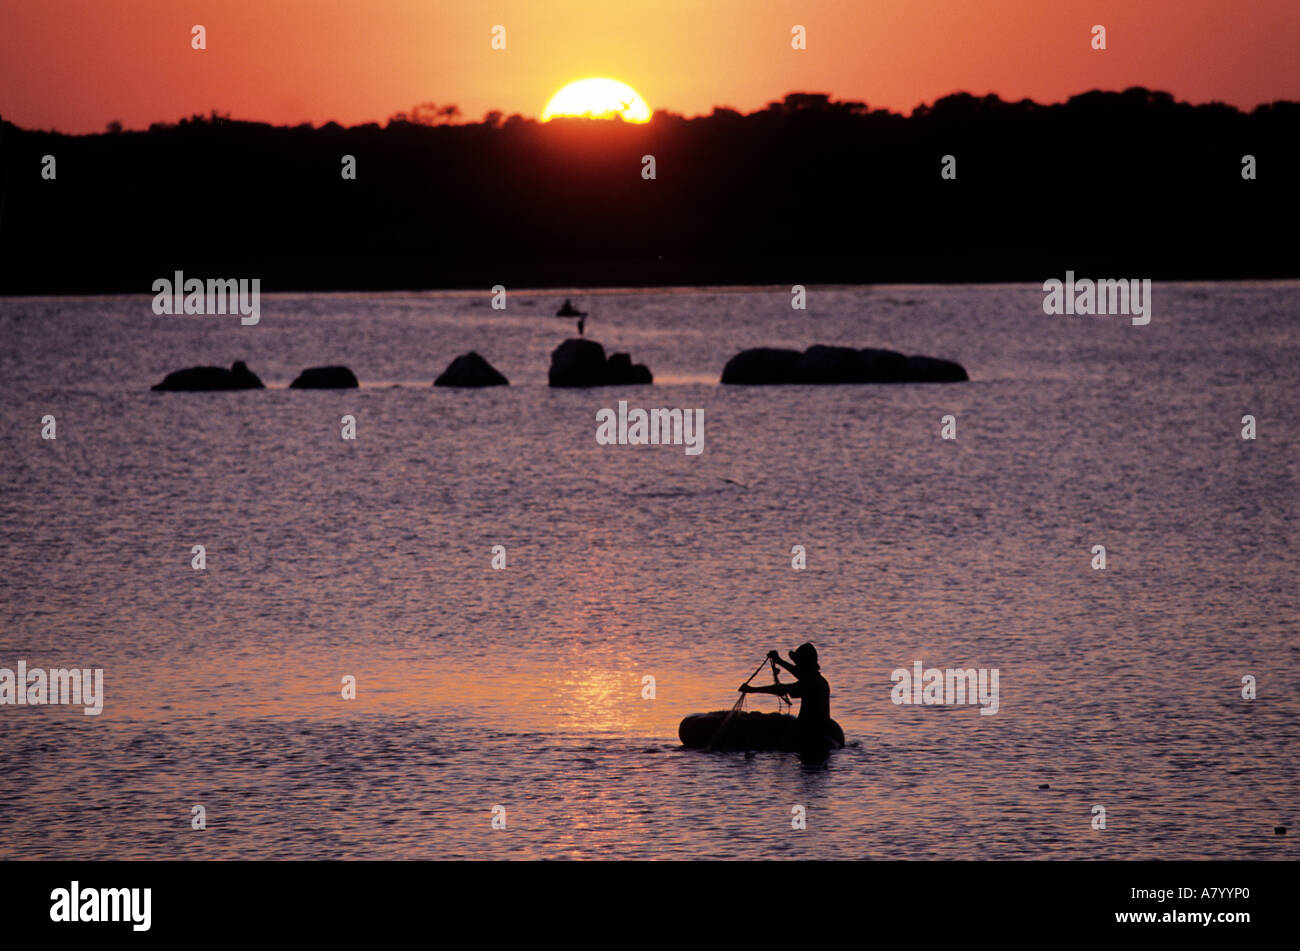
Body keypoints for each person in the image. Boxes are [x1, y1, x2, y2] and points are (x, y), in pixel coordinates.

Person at [739, 642, 834, 758]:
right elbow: (800, 674)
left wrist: (752, 690)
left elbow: (783, 689)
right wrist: (778, 660)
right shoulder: (818, 680)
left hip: (809, 732)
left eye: (798, 663)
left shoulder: (811, 683)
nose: (797, 666)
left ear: (804, 664)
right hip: (820, 730)